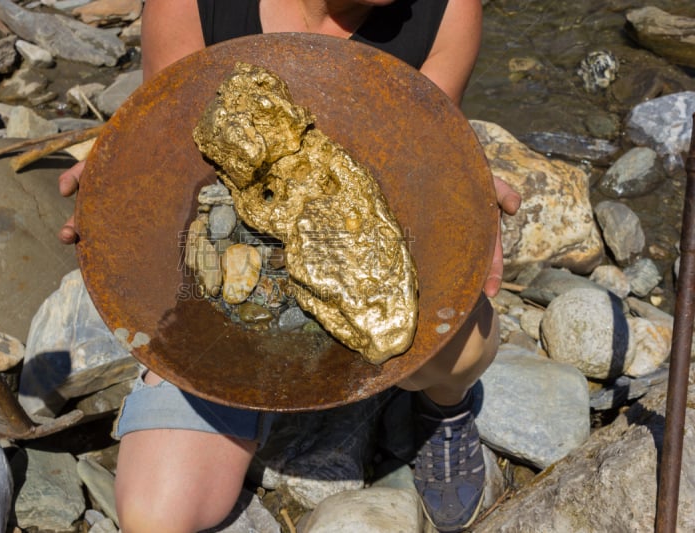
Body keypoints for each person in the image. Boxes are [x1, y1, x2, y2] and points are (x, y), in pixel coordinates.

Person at [57, 1, 521, 531]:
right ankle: (220, 383)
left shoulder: (446, 9)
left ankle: (443, 408)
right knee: (155, 516)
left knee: (461, 349)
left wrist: (468, 188)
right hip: (221, 309)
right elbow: (170, 129)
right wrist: (126, 168)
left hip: (360, 248)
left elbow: (427, 142)